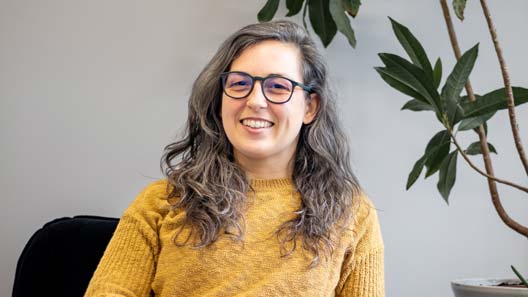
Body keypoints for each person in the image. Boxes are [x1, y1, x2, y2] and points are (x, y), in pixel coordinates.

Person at [85, 20, 384, 297]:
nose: (255, 101)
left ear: (309, 107)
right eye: (240, 84)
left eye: (278, 87)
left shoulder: (352, 214)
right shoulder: (161, 203)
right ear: (219, 100)